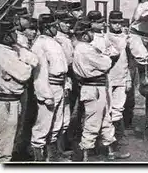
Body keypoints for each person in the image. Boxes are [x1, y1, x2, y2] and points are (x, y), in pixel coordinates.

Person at [72, 21, 117, 162]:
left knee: (105, 119)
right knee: (93, 121)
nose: (92, 34)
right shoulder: (85, 49)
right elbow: (106, 64)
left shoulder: (84, 47)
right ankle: (86, 156)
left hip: (97, 86)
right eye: (90, 32)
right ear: (84, 35)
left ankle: (110, 152)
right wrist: (105, 59)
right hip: (93, 87)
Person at [30, 14, 70, 162]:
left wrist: (66, 84)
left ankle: (52, 156)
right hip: (49, 86)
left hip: (60, 84)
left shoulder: (54, 42)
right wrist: (45, 94)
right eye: (53, 26)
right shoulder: (39, 44)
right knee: (43, 124)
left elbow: (63, 67)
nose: (56, 28)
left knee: (58, 123)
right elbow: (40, 73)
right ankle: (38, 159)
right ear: (46, 27)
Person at [0, 20, 38, 163]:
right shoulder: (2, 52)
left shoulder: (12, 49)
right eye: (12, 33)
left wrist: (21, 52)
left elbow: (34, 59)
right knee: (5, 142)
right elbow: (24, 73)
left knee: (10, 137)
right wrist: (25, 61)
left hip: (13, 99)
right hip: (5, 101)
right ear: (5, 36)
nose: (15, 35)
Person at [106, 11, 132, 159]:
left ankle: (116, 144)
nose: (118, 25)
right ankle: (105, 146)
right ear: (109, 22)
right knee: (107, 111)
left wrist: (128, 77)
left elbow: (126, 60)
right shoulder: (105, 37)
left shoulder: (125, 37)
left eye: (120, 22)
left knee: (118, 110)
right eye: (115, 22)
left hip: (121, 78)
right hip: (108, 78)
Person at [53, 11, 76, 158]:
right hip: (58, 79)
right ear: (57, 23)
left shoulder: (67, 38)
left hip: (67, 79)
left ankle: (61, 148)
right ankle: (56, 150)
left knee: (65, 115)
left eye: (69, 23)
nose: (68, 25)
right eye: (65, 22)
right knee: (57, 116)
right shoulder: (58, 40)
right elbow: (67, 61)